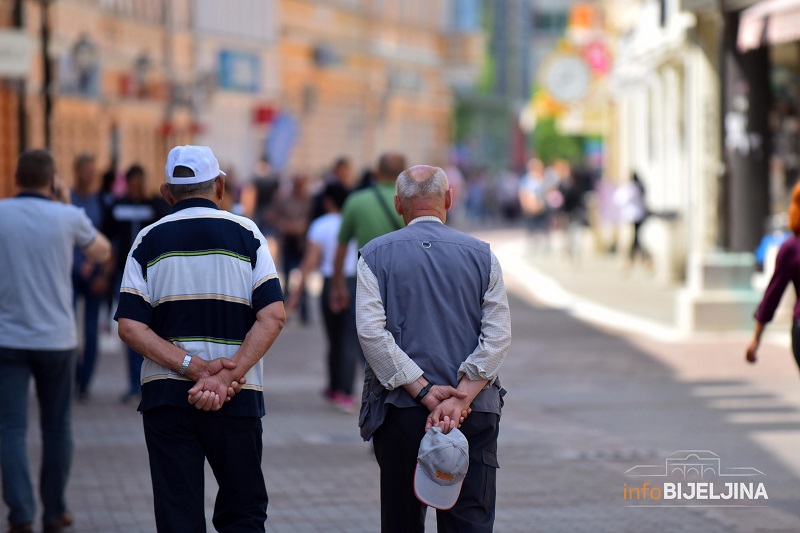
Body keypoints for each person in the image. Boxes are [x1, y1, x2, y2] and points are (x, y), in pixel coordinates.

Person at [115, 145, 286, 532]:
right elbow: (273, 316)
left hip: (168, 398)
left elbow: (129, 325)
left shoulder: (147, 240)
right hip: (237, 395)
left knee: (178, 514)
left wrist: (191, 368)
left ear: (166, 193)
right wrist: (226, 376)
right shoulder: (248, 234)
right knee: (243, 512)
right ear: (220, 186)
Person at [356, 165, 511, 532]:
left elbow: (372, 335)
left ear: (397, 204)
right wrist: (461, 399)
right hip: (474, 414)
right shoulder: (483, 255)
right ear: (449, 200)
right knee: (469, 521)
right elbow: (498, 336)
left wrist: (424, 392)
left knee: (402, 521)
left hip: (402, 412)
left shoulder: (374, 256)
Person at [0, 149, 111, 533]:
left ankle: (21, 514)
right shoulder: (68, 216)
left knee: (11, 428)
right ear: (53, 181)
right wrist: (65, 205)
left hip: (7, 338)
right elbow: (103, 251)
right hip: (56, 339)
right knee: (57, 427)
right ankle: (54, 511)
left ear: (16, 179)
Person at [287, 183, 360, 412]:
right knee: (349, 339)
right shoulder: (353, 223)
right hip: (354, 281)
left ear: (328, 201)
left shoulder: (319, 225)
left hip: (330, 283)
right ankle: (346, 392)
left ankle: (336, 387)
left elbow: (309, 261)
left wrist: (296, 294)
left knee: (334, 338)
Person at [106, 164, 159, 404]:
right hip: (125, 274)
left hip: (152, 273)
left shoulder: (154, 206)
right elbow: (108, 237)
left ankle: (149, 381)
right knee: (131, 327)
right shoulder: (118, 207)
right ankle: (133, 383)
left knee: (154, 329)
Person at [330, 152, 406, 313]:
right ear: (403, 173)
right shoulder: (410, 202)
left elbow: (341, 248)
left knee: (364, 333)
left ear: (376, 172)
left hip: (366, 283)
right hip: (403, 282)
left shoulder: (356, 201)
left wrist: (338, 286)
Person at [71, 153, 112, 401]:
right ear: (76, 171)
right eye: (84, 169)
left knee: (90, 328)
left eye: (92, 170)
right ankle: (74, 372)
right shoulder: (67, 199)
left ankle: (85, 380)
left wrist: (102, 270)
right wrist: (78, 264)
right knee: (68, 325)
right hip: (71, 271)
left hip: (95, 270)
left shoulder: (103, 201)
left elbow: (109, 240)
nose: (89, 174)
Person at [747, 182, 800, 370]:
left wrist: (756, 339)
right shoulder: (791, 248)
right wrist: (756, 339)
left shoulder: (791, 248)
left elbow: (772, 294)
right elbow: (773, 295)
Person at [273, 173, 313, 324]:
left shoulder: (309, 200)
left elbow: (312, 218)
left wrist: (303, 226)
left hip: (303, 243)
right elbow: (272, 215)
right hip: (288, 242)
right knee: (288, 279)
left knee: (304, 278)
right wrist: (286, 225)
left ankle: (304, 312)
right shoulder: (283, 198)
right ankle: (286, 310)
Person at [613, 171, 652, 271]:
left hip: (635, 217)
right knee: (636, 239)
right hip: (635, 217)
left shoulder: (633, 188)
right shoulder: (638, 188)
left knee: (635, 240)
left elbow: (621, 199)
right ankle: (638, 260)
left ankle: (635, 261)